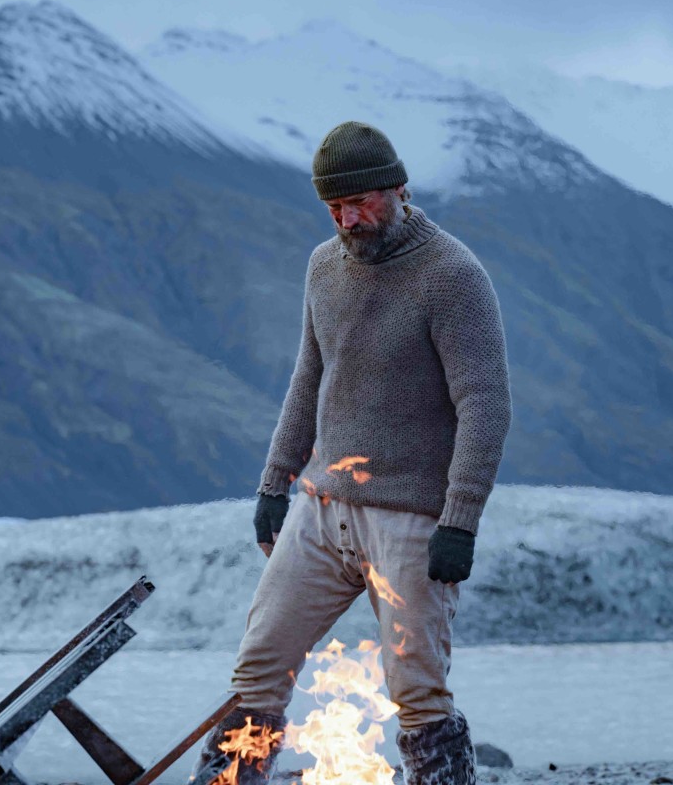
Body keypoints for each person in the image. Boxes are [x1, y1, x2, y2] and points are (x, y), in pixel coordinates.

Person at [191, 120, 512, 785]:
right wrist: (275, 483)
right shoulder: (322, 267)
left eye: (361, 202)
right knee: (259, 665)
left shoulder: (453, 275)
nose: (348, 219)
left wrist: (459, 522)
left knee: (417, 689)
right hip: (320, 507)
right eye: (334, 207)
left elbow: (484, 404)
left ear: (399, 190)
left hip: (411, 522)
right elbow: (310, 378)